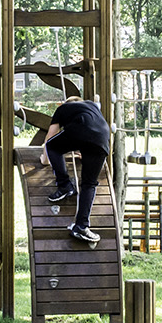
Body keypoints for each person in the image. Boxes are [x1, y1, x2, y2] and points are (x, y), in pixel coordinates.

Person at [42, 95, 111, 244]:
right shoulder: (92, 106)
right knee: (89, 184)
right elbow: (91, 127)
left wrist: (45, 159)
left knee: (53, 146)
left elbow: (50, 136)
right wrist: (83, 151)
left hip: (81, 133)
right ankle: (81, 226)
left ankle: (65, 185)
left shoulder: (63, 108)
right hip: (102, 140)